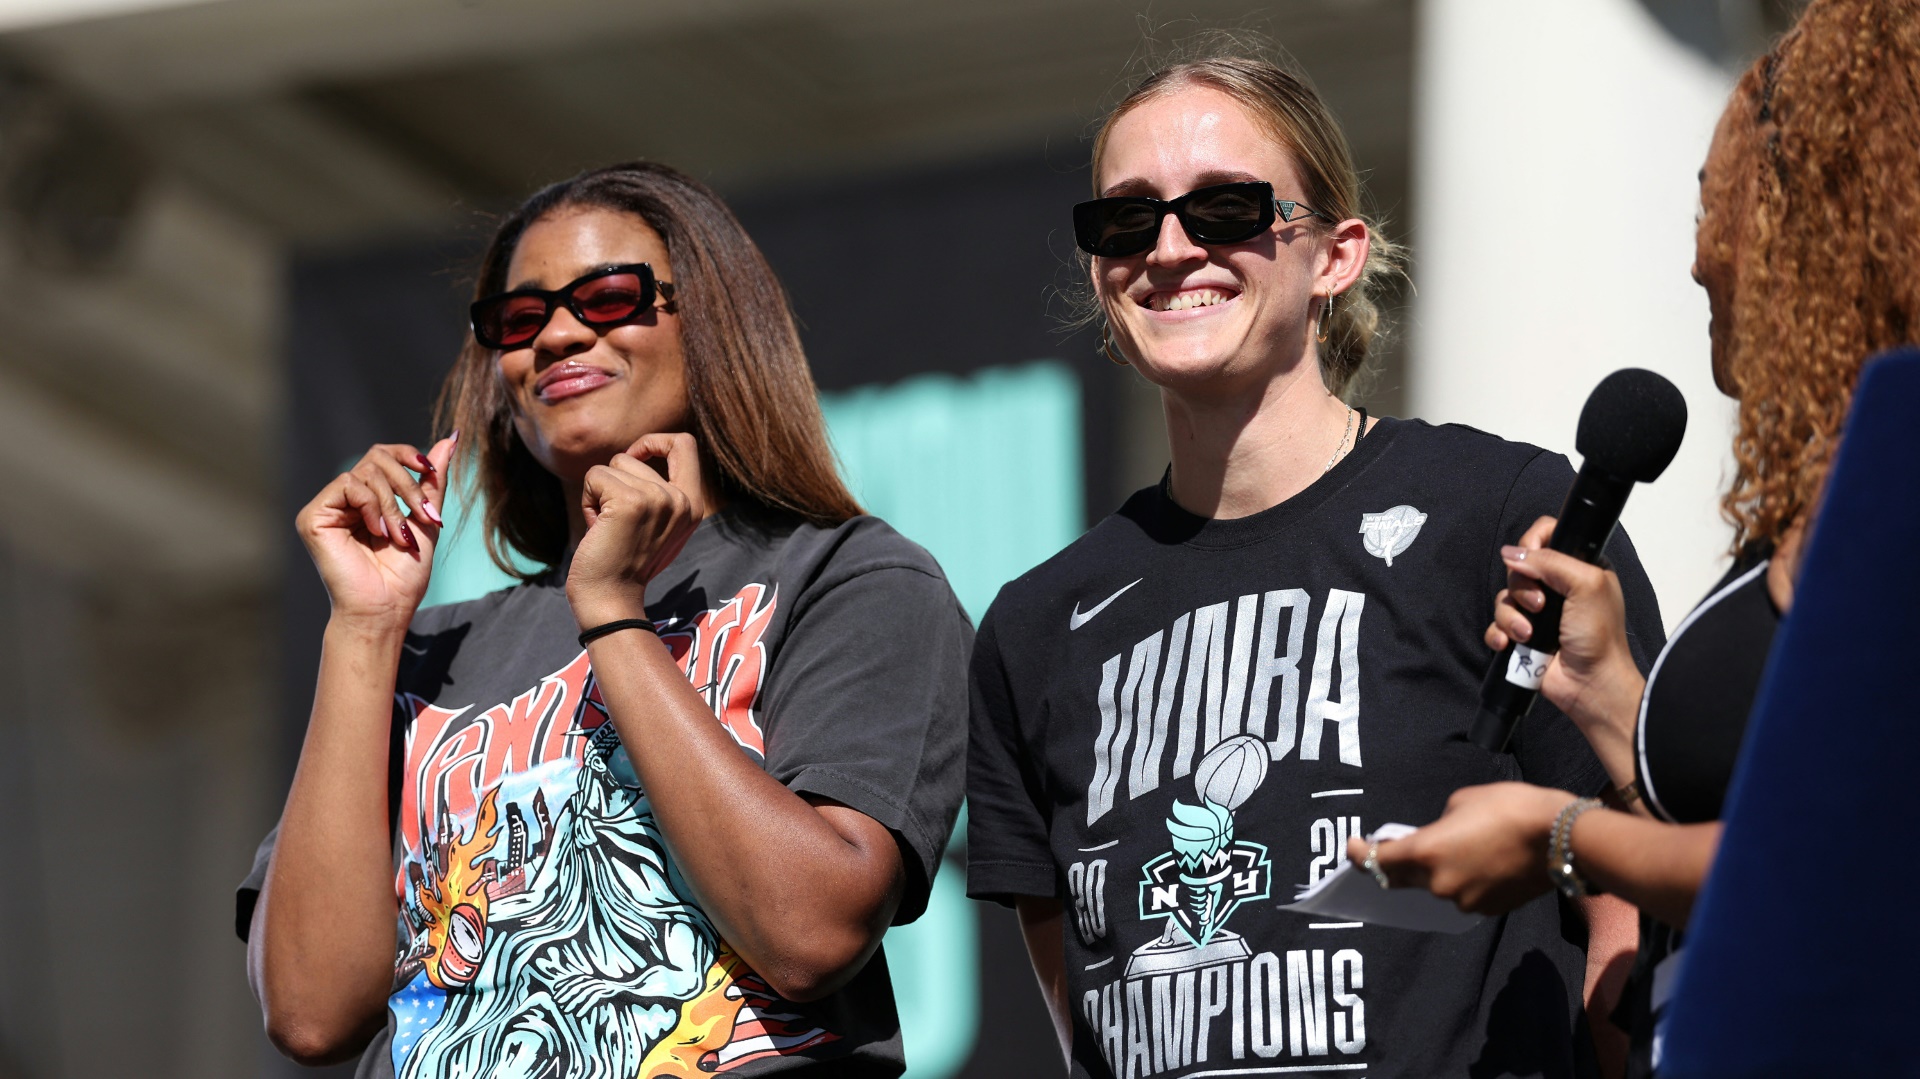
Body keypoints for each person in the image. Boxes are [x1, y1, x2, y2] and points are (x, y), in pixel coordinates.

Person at [965, 47, 1665, 1079]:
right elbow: (1089, 1018)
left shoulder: (1503, 516)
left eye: (1225, 209)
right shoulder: (1033, 627)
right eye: (1126, 219)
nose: (1168, 248)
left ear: (1334, 255)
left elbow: (1631, 908)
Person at [238, 162, 972, 1078]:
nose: (556, 333)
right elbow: (310, 1012)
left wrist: (613, 612)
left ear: (709, 323)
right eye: (519, 318)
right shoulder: (430, 650)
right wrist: (365, 626)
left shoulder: (849, 576)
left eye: (609, 295)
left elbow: (810, 932)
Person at [1347, 2, 1920, 1074]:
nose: (1699, 260)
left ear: (1828, 214)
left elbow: (1840, 854)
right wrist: (1612, 698)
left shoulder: (1905, 469)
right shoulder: (1826, 493)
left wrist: (1556, 835)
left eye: (1716, 202)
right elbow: (1760, 808)